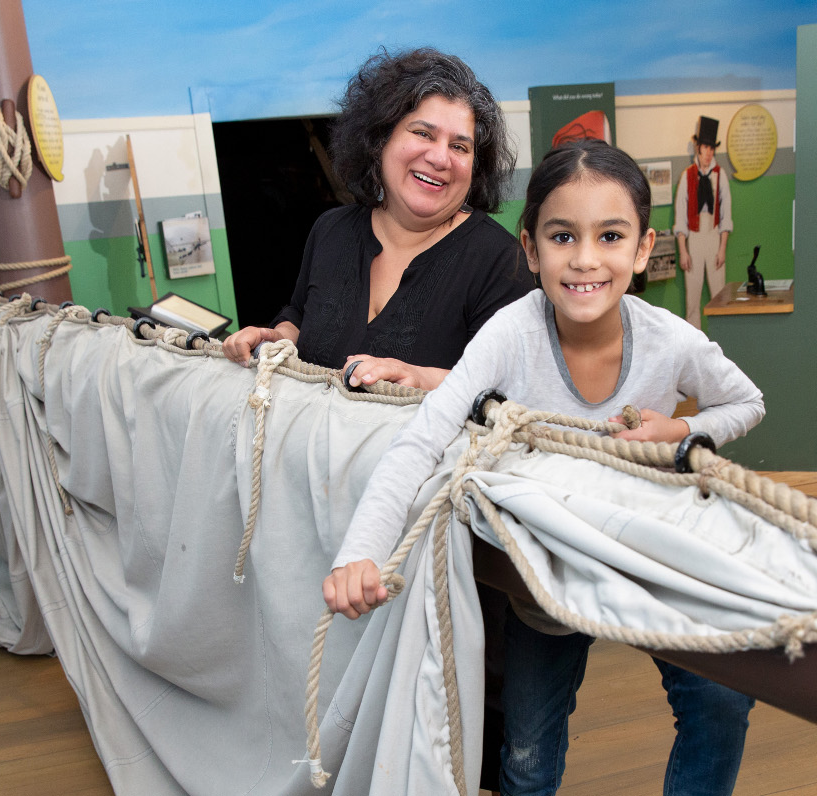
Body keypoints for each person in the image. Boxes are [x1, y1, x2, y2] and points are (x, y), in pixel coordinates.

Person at [322, 139, 764, 796]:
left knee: (722, 703)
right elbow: (423, 439)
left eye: (610, 236)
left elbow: (745, 401)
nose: (585, 259)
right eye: (563, 236)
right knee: (527, 755)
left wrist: (681, 428)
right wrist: (360, 550)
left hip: (647, 554)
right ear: (530, 250)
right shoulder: (511, 333)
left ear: (643, 249)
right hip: (546, 576)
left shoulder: (671, 340)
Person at [221, 48, 532, 390]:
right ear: (380, 140)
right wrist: (275, 338)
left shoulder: (501, 262)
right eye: (423, 133)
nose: (440, 157)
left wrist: (420, 378)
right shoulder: (331, 231)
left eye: (460, 147)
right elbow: (300, 315)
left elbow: (511, 388)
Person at [673, 116, 733, 330]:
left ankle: (721, 347)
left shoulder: (720, 175)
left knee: (720, 298)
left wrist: (722, 248)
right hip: (694, 240)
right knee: (692, 301)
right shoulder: (687, 176)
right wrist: (683, 250)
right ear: (698, 148)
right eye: (704, 148)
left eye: (711, 149)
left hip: (714, 237)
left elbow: (726, 214)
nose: (708, 153)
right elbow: (680, 216)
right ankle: (695, 351)